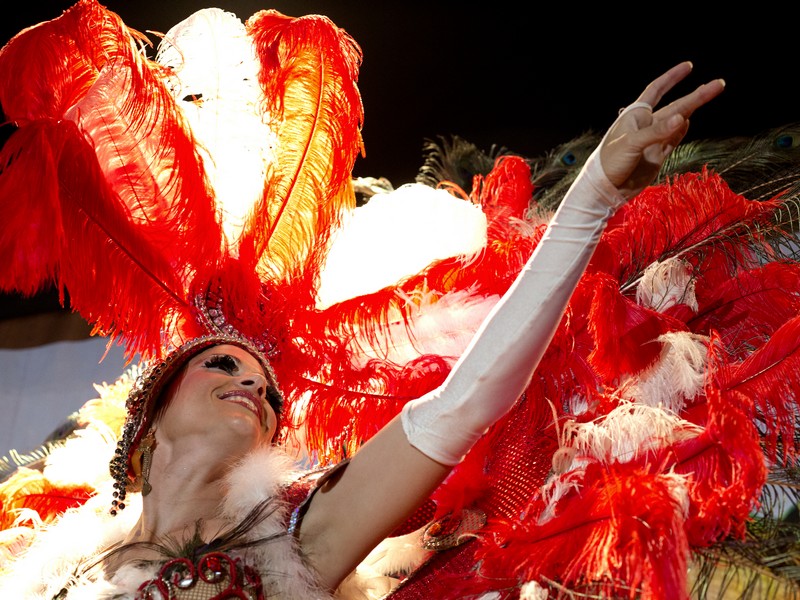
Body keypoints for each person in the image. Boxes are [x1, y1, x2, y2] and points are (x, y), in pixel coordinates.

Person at [5, 3, 769, 599]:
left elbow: (468, 400)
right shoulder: (44, 563)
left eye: (269, 391)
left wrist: (596, 191)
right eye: (225, 365)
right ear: (148, 417)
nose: (256, 387)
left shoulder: (301, 544)